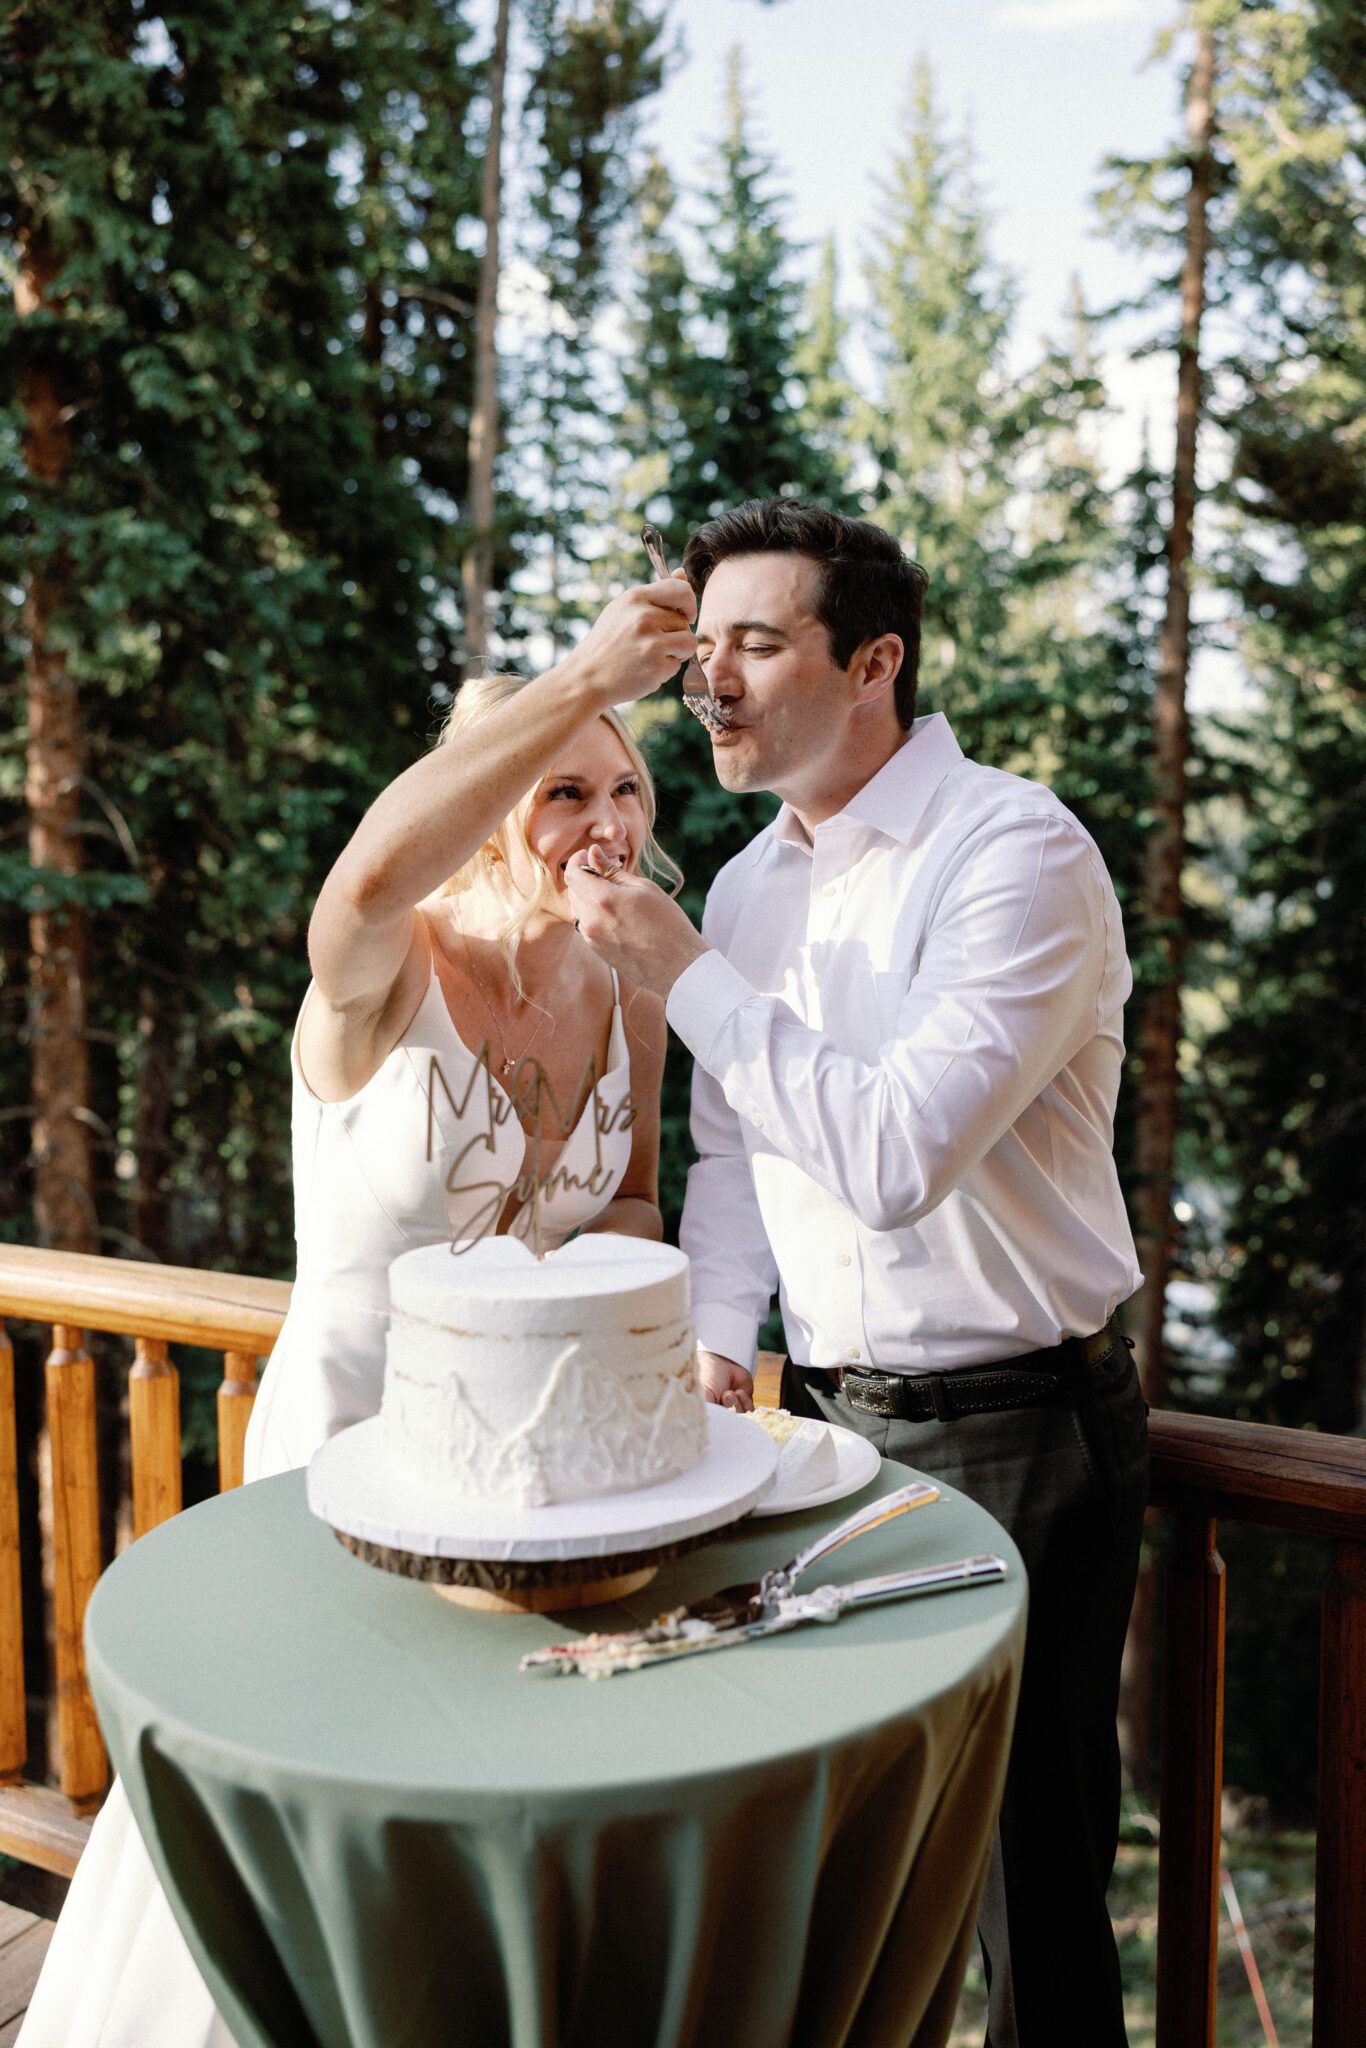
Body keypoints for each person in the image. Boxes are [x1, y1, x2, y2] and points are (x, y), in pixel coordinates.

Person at [20, 573, 697, 2048]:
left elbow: (632, 1203)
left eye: (627, 788)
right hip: (340, 1459)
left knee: (459, 1824)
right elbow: (368, 883)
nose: (608, 823)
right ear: (485, 798)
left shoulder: (628, 987)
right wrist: (586, 674)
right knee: (296, 1803)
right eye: (558, 786)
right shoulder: (382, 975)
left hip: (534, 1490)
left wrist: (638, 1368)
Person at [565, 498, 1149, 2048]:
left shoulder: (1011, 852)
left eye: (757, 645)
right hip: (820, 1423)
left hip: (1023, 1428)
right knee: (828, 1854)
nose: (712, 687)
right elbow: (739, 1151)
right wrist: (712, 1340)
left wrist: (679, 974)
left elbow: (897, 1159)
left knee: (1026, 1864)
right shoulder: (751, 885)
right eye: (701, 653)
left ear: (874, 660)